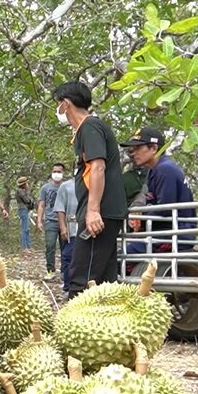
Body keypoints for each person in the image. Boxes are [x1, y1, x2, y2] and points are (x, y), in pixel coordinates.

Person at [53, 81, 128, 298]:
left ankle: (74, 327)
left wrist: (93, 210)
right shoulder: (88, 129)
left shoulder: (90, 127)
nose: (58, 111)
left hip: (101, 213)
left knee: (82, 277)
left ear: (66, 104)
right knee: (104, 279)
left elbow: (98, 166)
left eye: (59, 105)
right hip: (106, 212)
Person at [121, 127, 196, 254]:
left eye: (138, 148)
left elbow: (165, 210)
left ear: (154, 148)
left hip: (172, 236)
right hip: (163, 233)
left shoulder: (165, 170)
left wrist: (141, 218)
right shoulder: (155, 169)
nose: (133, 153)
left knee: (121, 259)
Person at [37, 163, 66, 281]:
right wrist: (39, 220)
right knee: (50, 246)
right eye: (55, 171)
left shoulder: (67, 187)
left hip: (65, 221)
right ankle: (50, 271)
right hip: (50, 221)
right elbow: (42, 204)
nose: (57, 174)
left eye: (59, 172)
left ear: (63, 173)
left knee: (66, 247)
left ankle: (65, 271)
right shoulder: (45, 188)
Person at [54, 168, 79, 293]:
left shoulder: (94, 183)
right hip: (72, 227)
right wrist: (63, 227)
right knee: (68, 256)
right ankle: (68, 286)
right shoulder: (66, 186)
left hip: (88, 226)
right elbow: (60, 208)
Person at [13, 177, 35, 252]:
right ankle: (25, 247)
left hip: (25, 210)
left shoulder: (23, 191)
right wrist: (30, 199)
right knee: (25, 229)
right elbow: (27, 200)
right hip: (23, 210)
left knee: (27, 229)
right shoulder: (20, 191)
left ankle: (29, 246)